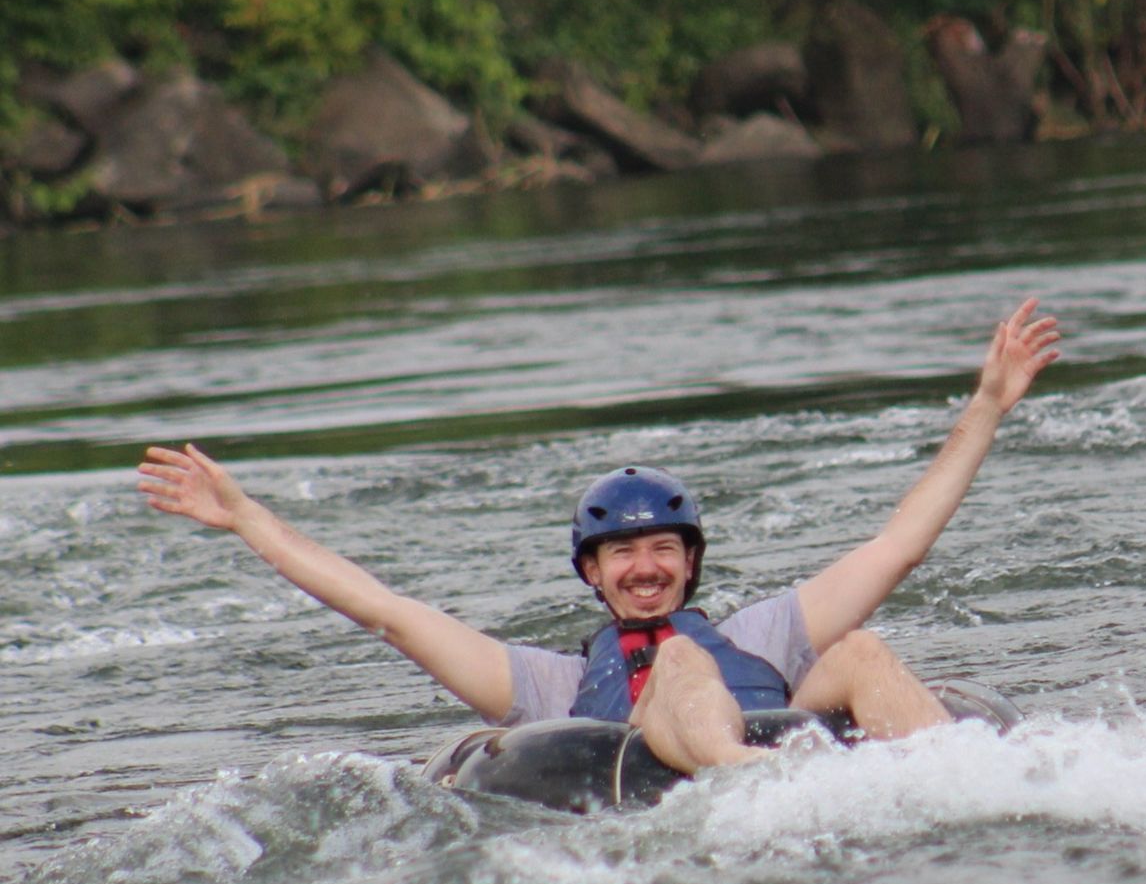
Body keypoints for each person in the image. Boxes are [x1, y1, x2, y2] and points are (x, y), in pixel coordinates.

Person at [138, 297, 1060, 776]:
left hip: (785, 737)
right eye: (622, 553)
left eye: (664, 549)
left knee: (859, 647)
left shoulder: (766, 636)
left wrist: (984, 407)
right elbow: (385, 612)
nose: (646, 566)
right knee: (680, 671)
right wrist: (250, 518)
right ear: (594, 574)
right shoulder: (545, 686)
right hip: (687, 767)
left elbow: (899, 545)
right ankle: (749, 776)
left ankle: (962, 781)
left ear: (691, 564)